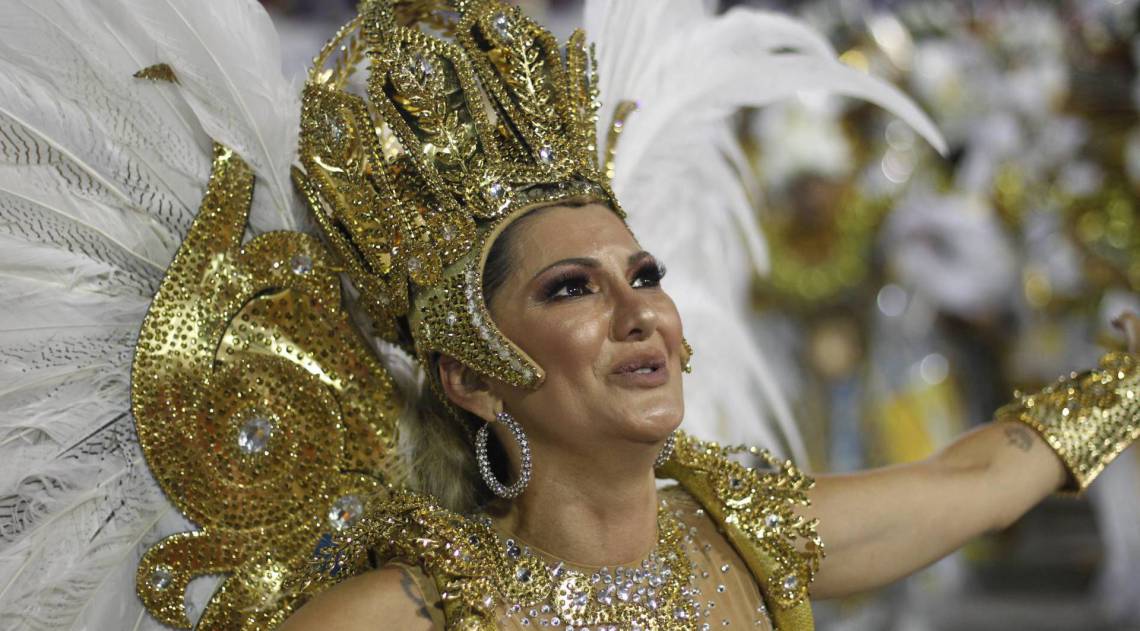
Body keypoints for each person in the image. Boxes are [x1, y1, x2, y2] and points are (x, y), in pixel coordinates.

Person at [0, 1, 1135, 630]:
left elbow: (977, 478)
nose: (639, 314)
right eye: (572, 289)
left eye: (643, 276)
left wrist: (1128, 380)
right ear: (474, 378)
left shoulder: (747, 539)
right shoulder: (407, 617)